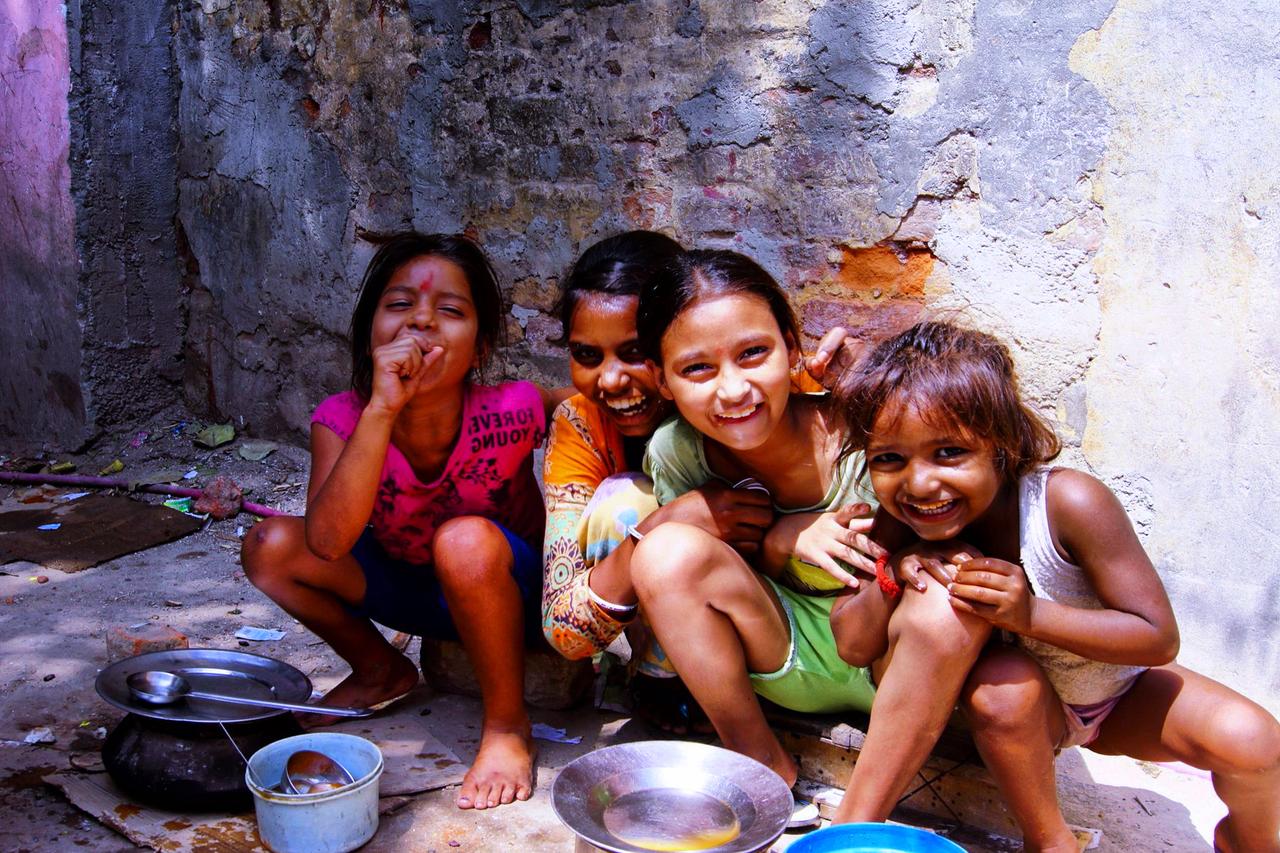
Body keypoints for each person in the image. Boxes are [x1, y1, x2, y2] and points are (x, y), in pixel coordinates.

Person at [833, 320, 1280, 852]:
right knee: (987, 656)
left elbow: (1158, 638)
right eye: (888, 458)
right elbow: (855, 644)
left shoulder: (1068, 504)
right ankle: (1049, 842)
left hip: (1115, 696)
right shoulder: (894, 517)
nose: (920, 482)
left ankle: (1250, 842)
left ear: (1001, 443)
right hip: (1002, 711)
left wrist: (1031, 616)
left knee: (1255, 742)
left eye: (949, 452)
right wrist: (892, 564)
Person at [628, 250, 991, 823]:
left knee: (949, 591)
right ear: (662, 381)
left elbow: (951, 525)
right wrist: (782, 538)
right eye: (697, 369)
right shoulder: (678, 450)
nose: (732, 390)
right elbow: (706, 583)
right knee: (663, 552)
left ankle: (855, 825)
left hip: (898, 659)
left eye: (754, 353)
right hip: (782, 656)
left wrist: (873, 395)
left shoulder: (866, 428)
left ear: (793, 350)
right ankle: (760, 764)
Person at [241, 233, 563, 811]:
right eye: (399, 307)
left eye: (449, 311)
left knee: (463, 538)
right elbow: (328, 542)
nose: (421, 323)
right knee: (271, 545)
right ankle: (379, 668)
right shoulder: (342, 419)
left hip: (512, 598)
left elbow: (598, 407)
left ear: (481, 345)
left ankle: (509, 727)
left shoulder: (517, 405)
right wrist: (383, 410)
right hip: (413, 591)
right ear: (370, 332)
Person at [541, 231, 850, 731]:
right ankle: (669, 683)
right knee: (628, 503)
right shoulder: (583, 426)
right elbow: (565, 631)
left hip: (790, 622)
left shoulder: (768, 392)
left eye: (635, 350)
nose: (612, 380)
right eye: (588, 356)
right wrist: (664, 522)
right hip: (699, 601)